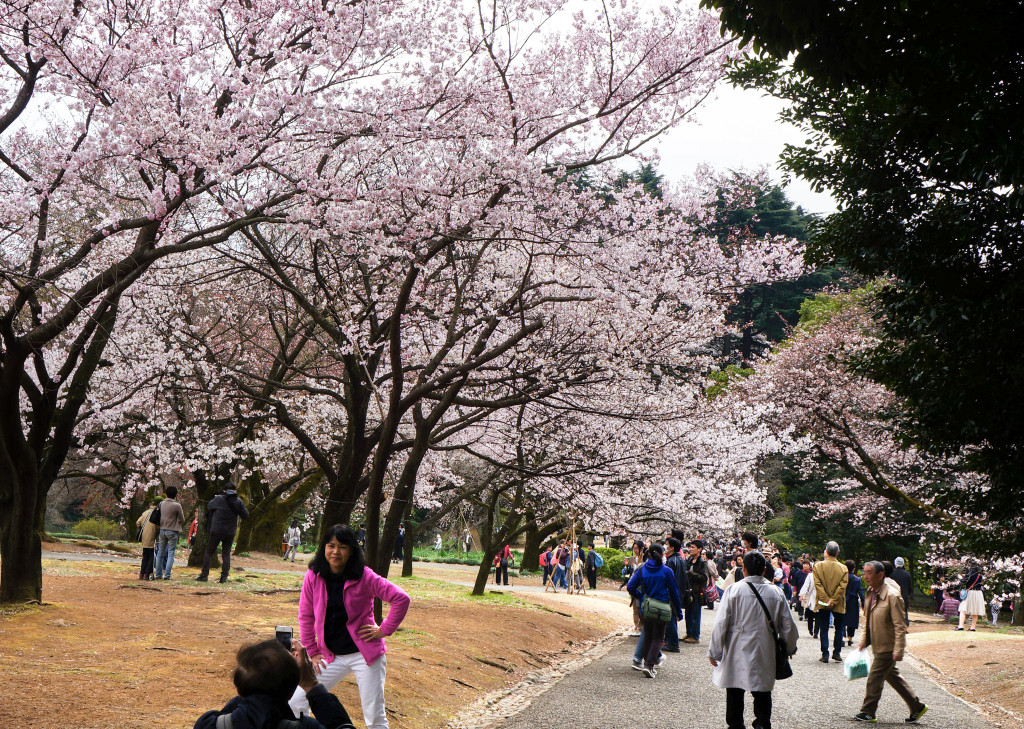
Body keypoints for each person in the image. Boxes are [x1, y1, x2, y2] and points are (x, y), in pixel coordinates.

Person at [290, 524, 410, 728]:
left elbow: (401, 598)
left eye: (342, 547)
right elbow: (306, 615)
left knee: (374, 717)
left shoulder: (365, 576)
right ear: (324, 548)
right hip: (330, 655)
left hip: (365, 655)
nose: (336, 551)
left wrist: (383, 629)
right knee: (296, 701)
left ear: (352, 550)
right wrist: (313, 651)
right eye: (331, 545)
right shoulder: (314, 575)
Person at [708, 551, 799, 729]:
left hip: (736, 648)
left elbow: (720, 624)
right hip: (765, 649)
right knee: (762, 691)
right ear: (764, 570)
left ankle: (735, 725)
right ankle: (762, 724)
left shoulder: (733, 591)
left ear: (744, 568)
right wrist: (788, 648)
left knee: (734, 688)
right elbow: (789, 626)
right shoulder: (776, 593)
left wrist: (715, 652)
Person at [195, 640, 355, 729]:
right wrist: (311, 684)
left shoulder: (209, 724)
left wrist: (248, 691)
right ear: (290, 693)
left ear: (240, 688)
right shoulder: (307, 728)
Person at [854, 561, 928, 724]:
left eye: (869, 573)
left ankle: (868, 711)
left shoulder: (892, 595)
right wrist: (864, 641)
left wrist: (899, 649)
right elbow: (868, 619)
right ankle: (917, 706)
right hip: (877, 644)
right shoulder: (870, 592)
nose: (865, 576)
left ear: (881, 575)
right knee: (892, 676)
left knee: (874, 678)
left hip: (888, 645)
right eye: (864, 572)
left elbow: (900, 625)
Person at [626, 543, 683, 678]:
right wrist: (678, 612)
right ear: (662, 554)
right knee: (658, 638)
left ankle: (647, 663)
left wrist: (642, 597)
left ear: (649, 554)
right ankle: (649, 665)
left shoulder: (642, 570)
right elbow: (674, 592)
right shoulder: (666, 571)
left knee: (648, 636)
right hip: (662, 608)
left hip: (646, 607)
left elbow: (630, 586)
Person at [196, 488, 250, 583]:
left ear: (224, 491)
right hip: (230, 532)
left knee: (209, 552)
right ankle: (224, 577)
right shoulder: (238, 501)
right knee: (226, 553)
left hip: (216, 530)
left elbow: (209, 506)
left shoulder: (218, 499)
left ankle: (204, 575)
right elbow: (245, 515)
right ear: (235, 491)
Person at [812, 541, 848, 663]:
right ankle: (837, 653)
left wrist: (826, 600)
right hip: (838, 602)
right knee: (839, 627)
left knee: (824, 627)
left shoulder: (818, 566)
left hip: (823, 602)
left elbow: (818, 584)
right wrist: (833, 600)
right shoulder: (844, 568)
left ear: (826, 551)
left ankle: (825, 654)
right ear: (838, 552)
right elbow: (842, 587)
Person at [662, 537, 690, 653]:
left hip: (672, 592)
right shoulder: (681, 559)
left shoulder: (671, 561)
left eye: (667, 544)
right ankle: (671, 641)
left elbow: (668, 578)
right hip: (679, 591)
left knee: (671, 618)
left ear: (672, 547)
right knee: (672, 617)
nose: (665, 546)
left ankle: (673, 643)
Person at [152, 486, 186, 580]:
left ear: (166, 494)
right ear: (175, 495)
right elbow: (182, 519)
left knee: (160, 553)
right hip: (172, 531)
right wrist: (177, 522)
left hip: (162, 530)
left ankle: (158, 574)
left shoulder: (161, 504)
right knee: (171, 553)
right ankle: (167, 575)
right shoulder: (177, 505)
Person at [684, 539, 713, 643]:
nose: (690, 549)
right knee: (688, 613)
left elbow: (704, 578)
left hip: (697, 592)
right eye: (690, 547)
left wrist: (691, 574)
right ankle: (689, 633)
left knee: (695, 614)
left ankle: (695, 636)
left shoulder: (702, 562)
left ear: (699, 549)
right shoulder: (689, 560)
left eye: (693, 547)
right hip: (689, 591)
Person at [955, 560, 985, 631]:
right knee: (975, 611)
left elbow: (964, 581)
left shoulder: (969, 572)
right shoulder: (980, 574)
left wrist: (960, 577)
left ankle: (961, 626)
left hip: (970, 592)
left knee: (963, 609)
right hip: (978, 593)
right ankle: (973, 627)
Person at [136, 500, 161, 580]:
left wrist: (143, 529)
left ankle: (141, 574)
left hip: (144, 536)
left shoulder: (145, 512)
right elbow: (158, 525)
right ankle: (147, 574)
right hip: (152, 536)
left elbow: (138, 522)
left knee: (145, 555)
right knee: (151, 556)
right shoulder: (157, 513)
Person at [843, 559, 866, 647]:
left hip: (843, 599)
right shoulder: (857, 579)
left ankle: (843, 637)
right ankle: (850, 638)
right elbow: (860, 592)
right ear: (853, 569)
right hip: (853, 600)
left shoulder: (842, 577)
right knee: (852, 619)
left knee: (842, 619)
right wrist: (863, 603)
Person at [892, 557, 913, 626]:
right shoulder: (907, 574)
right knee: (904, 611)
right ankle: (905, 624)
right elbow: (910, 588)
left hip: (893, 595)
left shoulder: (891, 573)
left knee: (893, 611)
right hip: (904, 596)